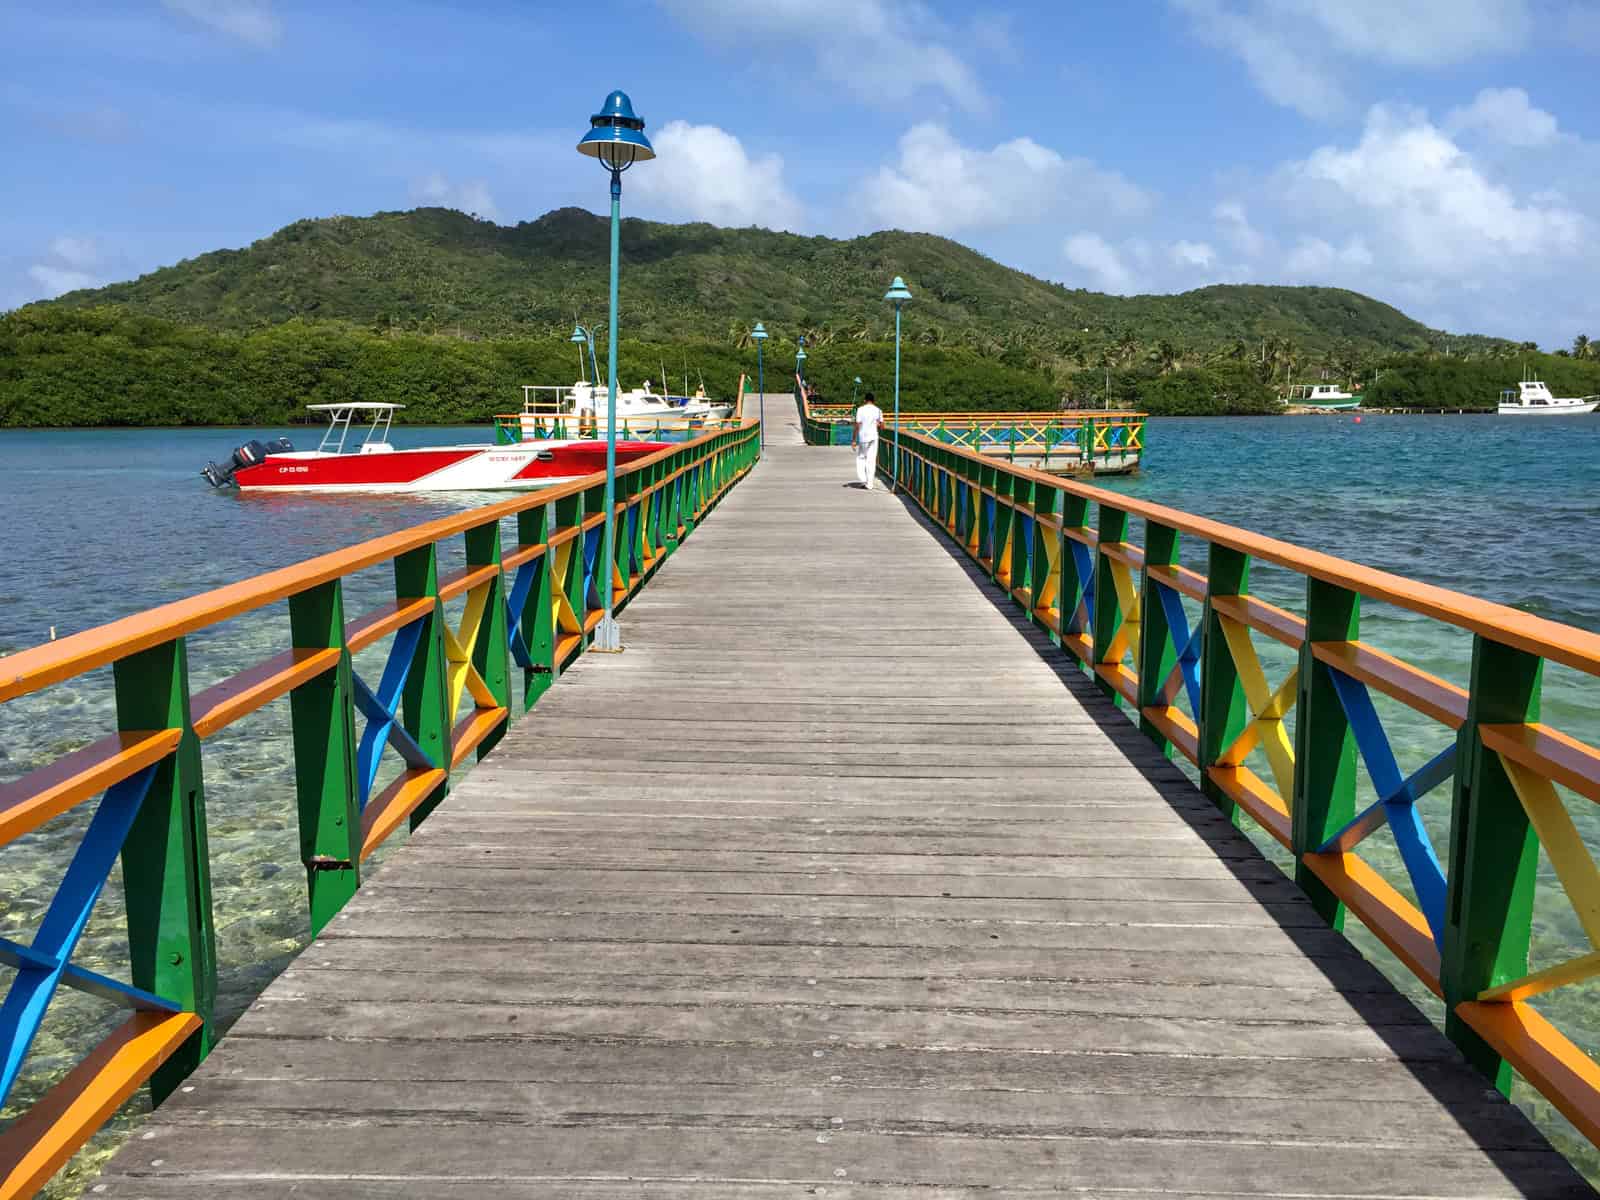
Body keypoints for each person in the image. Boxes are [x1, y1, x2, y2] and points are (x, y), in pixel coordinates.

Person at [853, 390, 884, 490]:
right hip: (874, 437)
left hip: (863, 437)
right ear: (873, 401)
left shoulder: (860, 410)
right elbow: (882, 426)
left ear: (865, 400)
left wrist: (853, 439)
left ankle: (863, 479)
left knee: (861, 458)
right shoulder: (878, 410)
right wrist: (878, 424)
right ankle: (870, 483)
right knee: (871, 460)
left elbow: (857, 425)